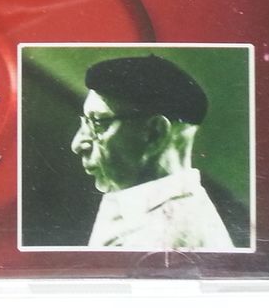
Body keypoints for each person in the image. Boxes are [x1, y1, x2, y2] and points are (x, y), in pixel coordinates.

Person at [69, 54, 234, 250]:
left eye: (97, 123)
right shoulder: (135, 202)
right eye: (85, 121)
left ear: (154, 134)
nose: (77, 144)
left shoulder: (161, 241)